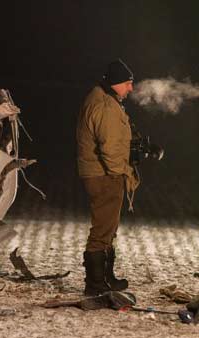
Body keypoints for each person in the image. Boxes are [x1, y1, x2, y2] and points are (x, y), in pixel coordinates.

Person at [76, 59, 140, 296]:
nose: (130, 89)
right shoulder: (105, 105)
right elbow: (110, 149)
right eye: (128, 83)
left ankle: (105, 277)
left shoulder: (105, 99)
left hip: (102, 173)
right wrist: (119, 174)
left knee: (108, 228)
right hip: (104, 175)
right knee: (102, 230)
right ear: (115, 83)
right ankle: (95, 285)